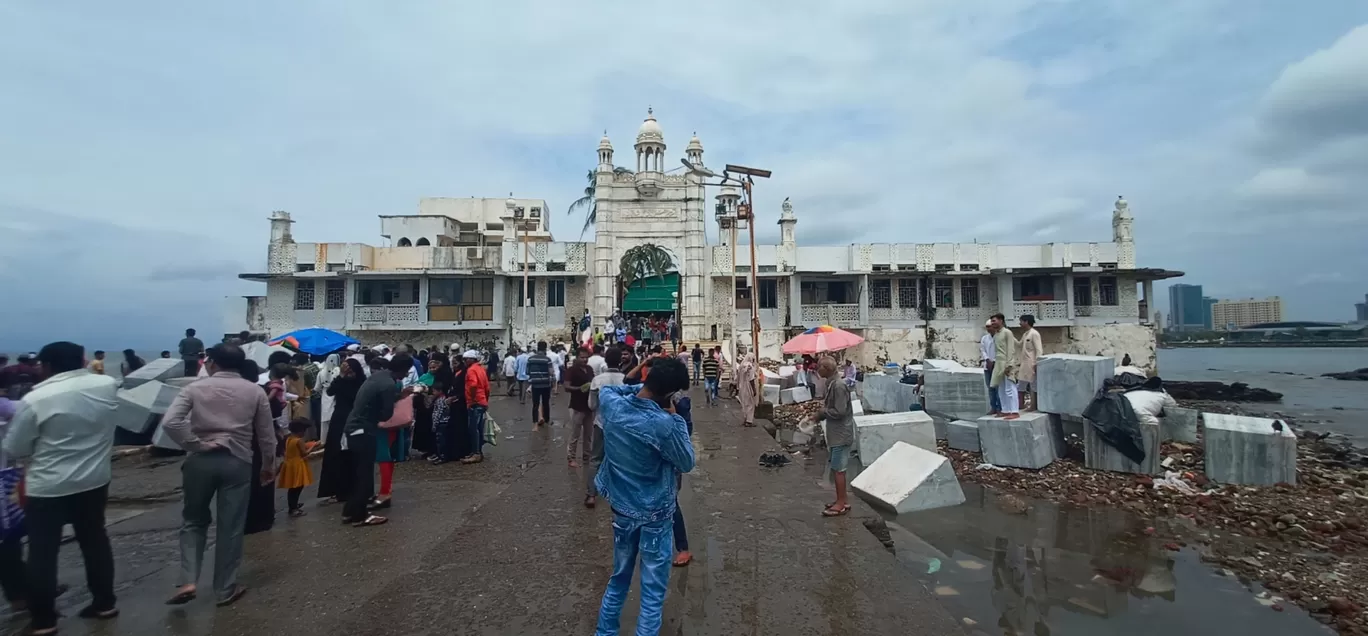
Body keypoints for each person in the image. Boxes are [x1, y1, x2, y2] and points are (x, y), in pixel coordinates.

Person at [2, 342, 120, 633]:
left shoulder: (38, 398)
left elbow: (15, 446)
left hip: (48, 486)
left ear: (46, 366)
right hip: (95, 479)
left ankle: (44, 619)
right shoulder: (107, 384)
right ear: (82, 360)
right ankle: (105, 603)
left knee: (43, 551)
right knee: (95, 541)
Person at [161, 344, 275, 608]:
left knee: (193, 520)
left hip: (200, 461)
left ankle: (188, 580)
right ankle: (224, 589)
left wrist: (195, 445)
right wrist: (268, 465)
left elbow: (170, 422)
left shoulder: (194, 388)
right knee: (231, 526)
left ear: (211, 363)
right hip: (238, 460)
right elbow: (266, 435)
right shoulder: (254, 391)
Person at [593, 357, 695, 634]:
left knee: (619, 578)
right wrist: (676, 418)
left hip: (622, 508)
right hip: (655, 514)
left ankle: (605, 632)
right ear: (670, 394)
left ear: (648, 379)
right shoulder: (664, 424)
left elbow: (614, 389)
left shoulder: (612, 406)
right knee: (652, 593)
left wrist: (643, 387)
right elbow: (686, 462)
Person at [343, 355, 409, 527]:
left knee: (357, 474)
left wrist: (400, 396)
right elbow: (386, 414)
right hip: (365, 430)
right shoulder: (388, 384)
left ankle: (350, 512)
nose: (408, 373)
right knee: (365, 476)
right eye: (407, 370)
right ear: (402, 370)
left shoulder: (378, 377)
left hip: (352, 427)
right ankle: (360, 516)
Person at [318, 358, 364, 504]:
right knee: (335, 452)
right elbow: (330, 392)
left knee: (352, 454)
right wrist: (341, 377)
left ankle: (352, 487)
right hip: (339, 418)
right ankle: (334, 489)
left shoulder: (360, 382)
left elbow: (356, 397)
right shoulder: (340, 380)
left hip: (353, 418)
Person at [584, 347, 626, 508]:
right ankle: (621, 496)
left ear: (605, 360)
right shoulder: (626, 379)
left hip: (601, 423)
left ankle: (591, 495)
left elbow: (591, 405)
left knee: (595, 459)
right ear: (620, 360)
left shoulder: (597, 380)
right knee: (621, 460)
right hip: (621, 426)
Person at [814, 357, 855, 517]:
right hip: (837, 433)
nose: (817, 370)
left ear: (826, 368)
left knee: (838, 469)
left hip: (841, 434)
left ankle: (840, 504)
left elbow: (839, 412)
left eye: (819, 367)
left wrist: (823, 413)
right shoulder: (832, 384)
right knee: (838, 468)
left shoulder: (838, 386)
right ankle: (842, 500)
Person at [669, 389, 694, 567]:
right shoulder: (650, 395)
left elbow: (686, 431)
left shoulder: (679, 400)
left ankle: (683, 548)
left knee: (671, 502)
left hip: (670, 459)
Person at [278, 418, 316, 518]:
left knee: (293, 487)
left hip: (290, 464)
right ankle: (293, 508)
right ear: (300, 431)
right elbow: (304, 453)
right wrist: (314, 446)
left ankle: (293, 505)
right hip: (298, 465)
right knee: (298, 487)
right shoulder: (299, 441)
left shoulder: (289, 439)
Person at [565, 347, 596, 468]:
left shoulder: (589, 369)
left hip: (589, 406)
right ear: (577, 357)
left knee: (588, 435)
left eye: (586, 357)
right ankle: (571, 457)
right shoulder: (571, 370)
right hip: (577, 406)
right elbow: (566, 387)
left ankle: (586, 457)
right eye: (582, 357)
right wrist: (580, 388)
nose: (584, 360)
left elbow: (593, 381)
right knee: (575, 434)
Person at [989, 313, 1021, 420]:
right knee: (1001, 388)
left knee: (1010, 388)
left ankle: (1014, 411)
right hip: (998, 363)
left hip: (1007, 362)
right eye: (992, 321)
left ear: (1001, 321)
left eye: (994, 321)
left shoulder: (1007, 332)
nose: (992, 323)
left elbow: (1010, 349)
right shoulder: (996, 334)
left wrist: (1009, 365)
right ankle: (1005, 410)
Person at [461, 350, 490, 464]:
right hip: (481, 401)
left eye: (465, 359)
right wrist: (485, 400)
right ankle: (477, 452)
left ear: (471, 359)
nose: (464, 361)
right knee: (478, 428)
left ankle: (476, 453)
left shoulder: (471, 370)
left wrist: (472, 398)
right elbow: (487, 387)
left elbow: (472, 385)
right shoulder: (481, 369)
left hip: (475, 402)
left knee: (473, 429)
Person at [1017, 314, 1042, 412]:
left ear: (1026, 322)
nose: (1020, 324)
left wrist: (1037, 363)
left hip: (1032, 363)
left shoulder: (1034, 334)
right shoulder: (1025, 334)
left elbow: (1039, 350)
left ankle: (1033, 405)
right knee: (1021, 383)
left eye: (1021, 321)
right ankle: (1021, 404)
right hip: (1024, 363)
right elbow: (1019, 344)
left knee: (1033, 385)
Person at [527, 342, 554, 429]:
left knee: (535, 404)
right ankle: (546, 422)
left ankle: (535, 425)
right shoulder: (547, 359)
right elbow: (551, 372)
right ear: (545, 348)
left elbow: (527, 372)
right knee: (546, 403)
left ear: (537, 348)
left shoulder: (530, 359)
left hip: (535, 385)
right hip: (546, 384)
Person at [980, 320, 1003, 415]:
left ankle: (1000, 408)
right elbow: (982, 350)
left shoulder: (999, 337)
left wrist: (994, 361)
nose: (988, 328)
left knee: (998, 388)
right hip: (987, 366)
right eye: (987, 327)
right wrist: (987, 360)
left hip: (997, 364)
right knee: (990, 388)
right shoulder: (984, 338)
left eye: (990, 326)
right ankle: (993, 407)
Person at [735, 349, 759, 427]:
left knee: (744, 403)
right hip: (749, 387)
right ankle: (749, 421)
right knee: (750, 404)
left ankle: (745, 419)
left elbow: (738, 377)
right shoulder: (750, 367)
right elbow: (751, 379)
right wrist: (754, 390)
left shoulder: (741, 366)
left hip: (742, 387)